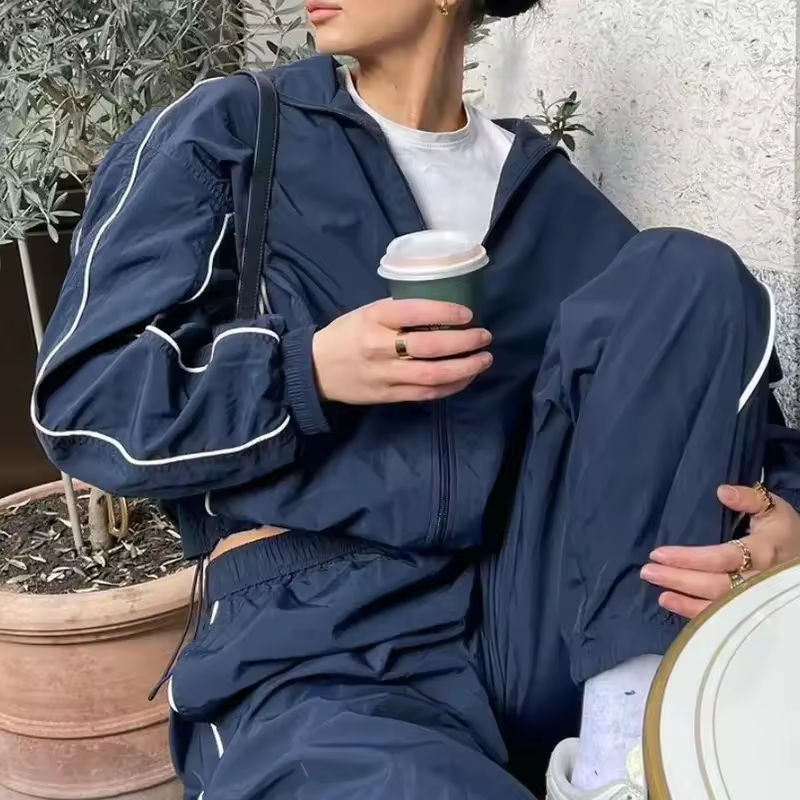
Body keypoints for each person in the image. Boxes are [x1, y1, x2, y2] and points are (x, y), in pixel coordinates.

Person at [32, 0, 800, 797]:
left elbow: (698, 403)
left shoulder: (550, 194)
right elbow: (87, 401)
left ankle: (623, 753)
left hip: (536, 617)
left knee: (689, 273)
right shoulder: (236, 130)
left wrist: (784, 522)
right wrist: (306, 369)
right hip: (317, 641)